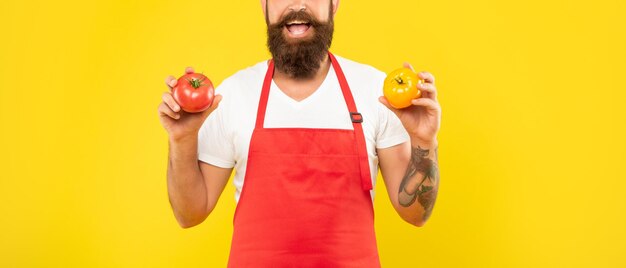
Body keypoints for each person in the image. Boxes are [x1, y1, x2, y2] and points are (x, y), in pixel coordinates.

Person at [157, 0, 442, 267]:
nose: (297, 4)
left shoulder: (376, 92)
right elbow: (189, 214)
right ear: (263, 4)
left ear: (335, 3)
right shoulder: (233, 94)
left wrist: (424, 141)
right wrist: (182, 140)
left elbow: (415, 214)